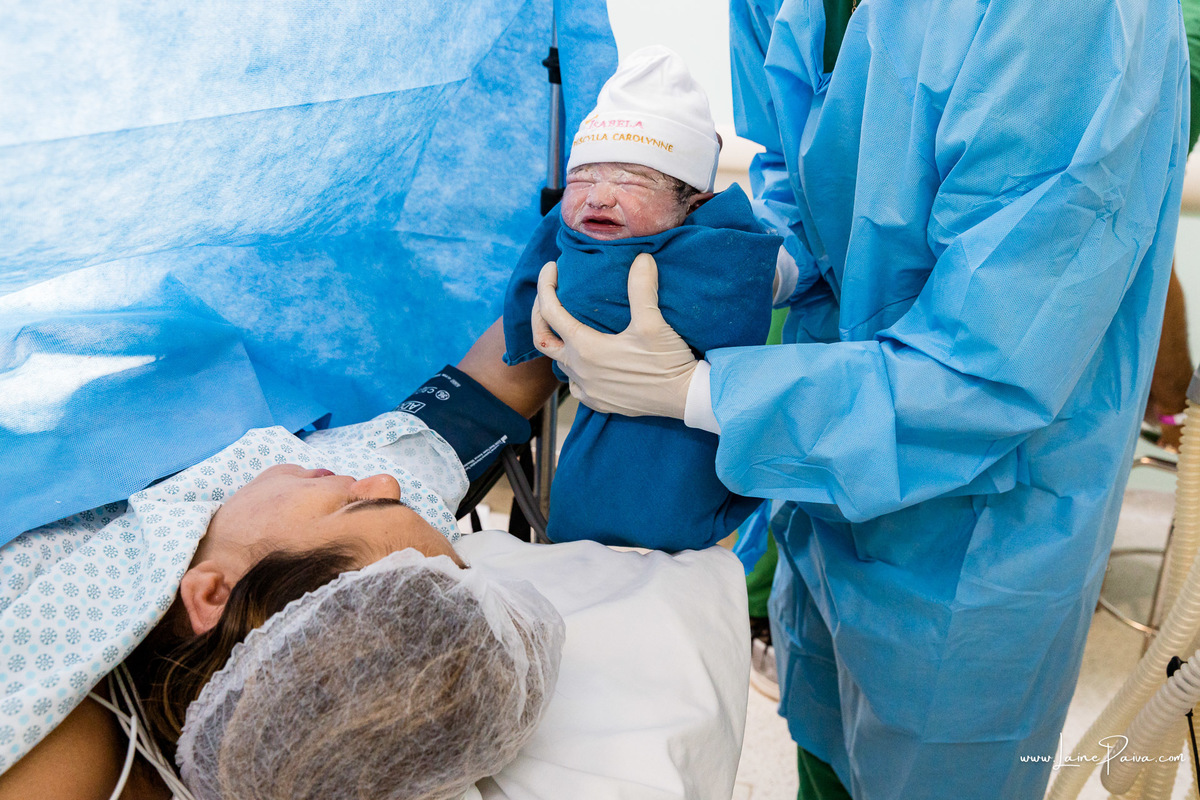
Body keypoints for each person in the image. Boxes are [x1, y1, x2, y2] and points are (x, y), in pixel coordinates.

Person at [530, 1, 1190, 798]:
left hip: (978, 530)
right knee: (824, 736)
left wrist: (701, 394)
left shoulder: (1066, 20)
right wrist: (763, 264)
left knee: (933, 765)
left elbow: (989, 365)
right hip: (820, 477)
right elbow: (795, 168)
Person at [0, 345, 560, 800]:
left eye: (357, 505)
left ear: (214, 594)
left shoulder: (71, 748)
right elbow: (493, 385)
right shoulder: (383, 543)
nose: (384, 483)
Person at [503, 45, 783, 549]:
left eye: (631, 180)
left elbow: (734, 312)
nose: (599, 196)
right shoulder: (573, 233)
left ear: (694, 205)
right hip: (586, 491)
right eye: (582, 178)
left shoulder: (722, 256)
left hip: (684, 482)